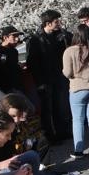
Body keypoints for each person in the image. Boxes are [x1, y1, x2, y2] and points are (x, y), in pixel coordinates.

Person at [0, 93, 60, 175]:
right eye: (13, 116)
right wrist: (4, 165)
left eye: (19, 116)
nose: (16, 120)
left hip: (16, 164)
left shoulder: (20, 125)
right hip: (1, 170)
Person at [26, 10, 73, 144]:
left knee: (60, 106)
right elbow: (32, 62)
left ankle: (62, 132)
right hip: (44, 80)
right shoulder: (36, 40)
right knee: (47, 109)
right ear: (48, 23)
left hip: (58, 77)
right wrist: (39, 81)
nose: (59, 24)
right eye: (56, 22)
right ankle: (50, 136)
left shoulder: (59, 36)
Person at [63, 24, 89, 158]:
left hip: (77, 89)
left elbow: (67, 72)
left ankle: (78, 151)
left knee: (78, 120)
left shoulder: (69, 51)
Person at [0, 26, 27, 96]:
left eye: (18, 36)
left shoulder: (14, 51)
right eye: (14, 36)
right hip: (8, 90)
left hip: (18, 86)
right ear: (5, 38)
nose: (17, 39)